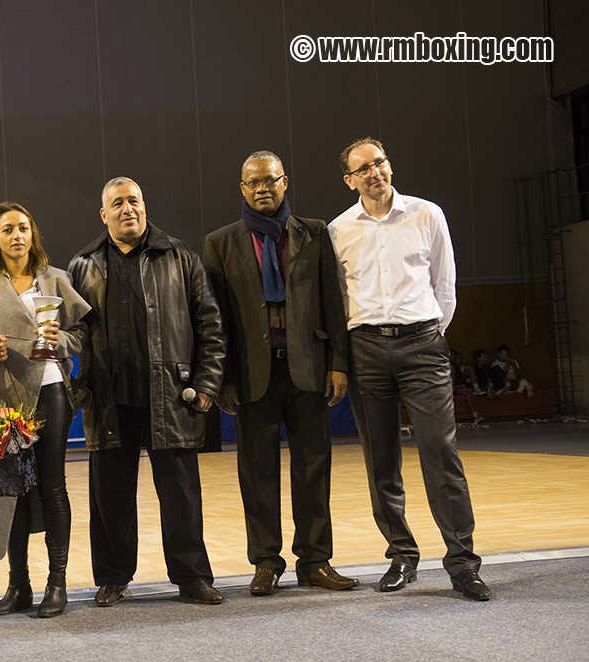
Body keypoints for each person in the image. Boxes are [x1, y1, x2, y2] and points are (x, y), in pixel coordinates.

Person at [329, 137, 490, 601]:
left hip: (422, 344)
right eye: (363, 168)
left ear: (389, 166)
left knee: (441, 452)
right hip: (366, 351)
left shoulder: (426, 213)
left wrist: (432, 335)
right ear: (349, 180)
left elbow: (445, 283)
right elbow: (340, 297)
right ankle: (402, 554)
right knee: (381, 460)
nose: (374, 172)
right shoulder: (339, 230)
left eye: (379, 162)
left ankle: (462, 563)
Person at [204, 151, 358, 597]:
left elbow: (334, 301)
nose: (262, 189)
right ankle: (266, 563)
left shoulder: (314, 233)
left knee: (314, 469)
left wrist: (339, 363)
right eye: (253, 183)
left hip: (308, 369)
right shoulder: (220, 242)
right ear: (242, 188)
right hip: (252, 375)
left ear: (285, 182)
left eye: (270, 180)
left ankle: (315, 561)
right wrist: (224, 378)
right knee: (257, 472)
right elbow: (219, 320)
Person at [68, 177, 225, 607]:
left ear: (144, 205)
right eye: (116, 203)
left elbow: (209, 323)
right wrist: (76, 390)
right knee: (109, 499)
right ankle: (114, 576)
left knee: (181, 495)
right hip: (108, 401)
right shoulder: (83, 264)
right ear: (104, 215)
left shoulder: (180, 256)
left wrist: (208, 383)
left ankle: (192, 576)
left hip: (171, 396)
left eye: (133, 201)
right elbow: (68, 336)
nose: (127, 209)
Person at [0, 201, 90, 618]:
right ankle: (19, 585)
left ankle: (58, 582)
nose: (17, 236)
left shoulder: (57, 280)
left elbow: (82, 333)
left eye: (24, 228)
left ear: (33, 235)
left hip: (49, 390)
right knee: (10, 489)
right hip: (2, 397)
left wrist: (60, 340)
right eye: (8, 229)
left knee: (51, 485)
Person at [450, 349, 483, 423]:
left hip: (459, 384)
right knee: (467, 392)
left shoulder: (456, 365)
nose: (456, 359)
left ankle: (476, 387)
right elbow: (453, 381)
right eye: (454, 356)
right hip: (453, 386)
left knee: (471, 391)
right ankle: (475, 415)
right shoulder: (450, 365)